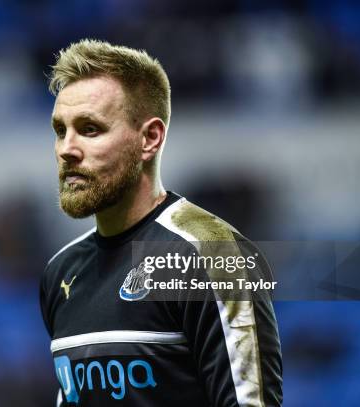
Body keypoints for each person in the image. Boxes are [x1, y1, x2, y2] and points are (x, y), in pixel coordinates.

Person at [39, 39, 282, 407]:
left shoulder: (212, 256)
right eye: (61, 130)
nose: (66, 149)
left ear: (149, 139)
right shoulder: (60, 273)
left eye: (90, 129)